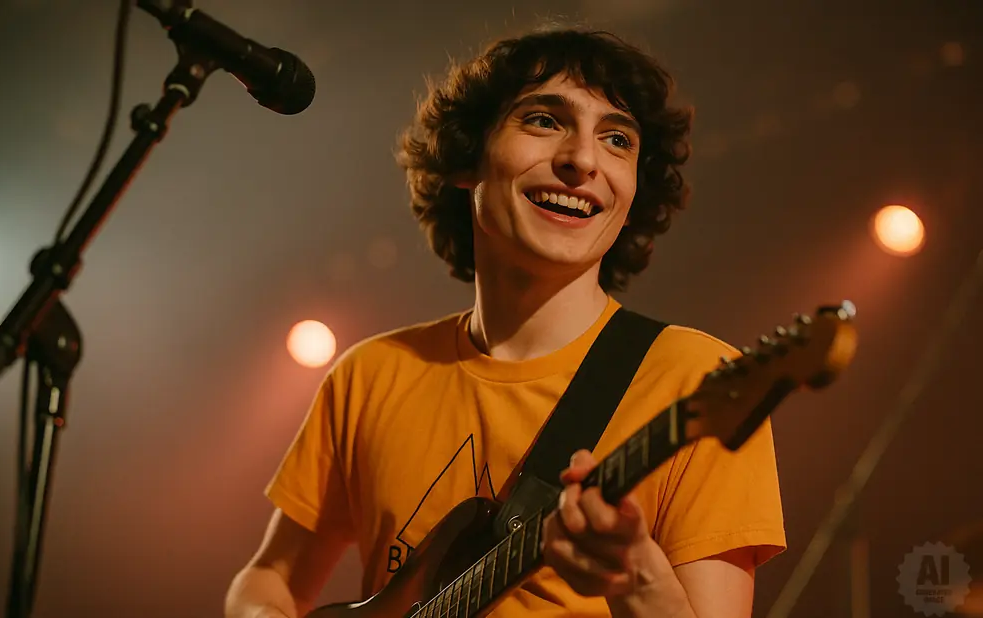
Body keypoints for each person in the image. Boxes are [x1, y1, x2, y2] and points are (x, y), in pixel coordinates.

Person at [224, 26, 786, 618]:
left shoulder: (700, 380)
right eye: (545, 121)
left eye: (617, 139)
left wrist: (636, 578)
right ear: (468, 159)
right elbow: (267, 580)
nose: (582, 160)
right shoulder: (370, 376)